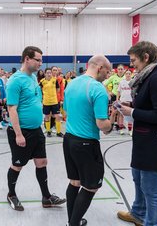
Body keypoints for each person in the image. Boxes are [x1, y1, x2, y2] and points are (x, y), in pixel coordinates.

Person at [117, 41, 157, 226]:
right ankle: (138, 214)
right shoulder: (146, 77)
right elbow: (148, 105)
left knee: (152, 191)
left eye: (134, 60)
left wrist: (133, 112)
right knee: (138, 180)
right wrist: (130, 107)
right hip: (144, 142)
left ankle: (152, 223)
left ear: (146, 57)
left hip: (156, 144)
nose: (132, 64)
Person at [5, 46, 66, 211]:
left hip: (36, 130)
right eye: (37, 60)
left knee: (41, 162)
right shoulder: (15, 81)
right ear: (27, 59)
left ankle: (46, 198)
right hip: (21, 131)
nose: (40, 63)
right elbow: (12, 109)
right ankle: (11, 194)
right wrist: (18, 134)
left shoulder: (32, 78)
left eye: (40, 60)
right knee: (17, 165)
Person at [63, 55, 113, 226]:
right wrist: (112, 120)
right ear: (99, 67)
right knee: (91, 186)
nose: (108, 75)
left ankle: (72, 220)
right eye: (107, 71)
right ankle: (73, 223)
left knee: (75, 182)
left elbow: (67, 112)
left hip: (69, 140)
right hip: (86, 143)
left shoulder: (71, 84)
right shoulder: (98, 89)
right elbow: (102, 125)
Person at [39, 67, 64, 137]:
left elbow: (58, 89)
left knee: (58, 116)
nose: (49, 74)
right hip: (46, 102)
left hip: (54, 102)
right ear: (45, 74)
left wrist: (52, 96)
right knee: (47, 116)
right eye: (47, 73)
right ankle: (48, 131)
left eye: (50, 73)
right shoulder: (42, 81)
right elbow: (38, 90)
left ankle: (58, 132)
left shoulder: (55, 80)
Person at [117, 70, 133, 135]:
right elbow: (118, 92)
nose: (128, 75)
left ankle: (130, 130)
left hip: (130, 101)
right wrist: (117, 99)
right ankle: (121, 129)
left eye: (129, 73)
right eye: (127, 73)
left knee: (130, 115)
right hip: (122, 101)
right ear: (125, 74)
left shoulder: (133, 82)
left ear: (131, 74)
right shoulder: (121, 82)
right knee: (121, 115)